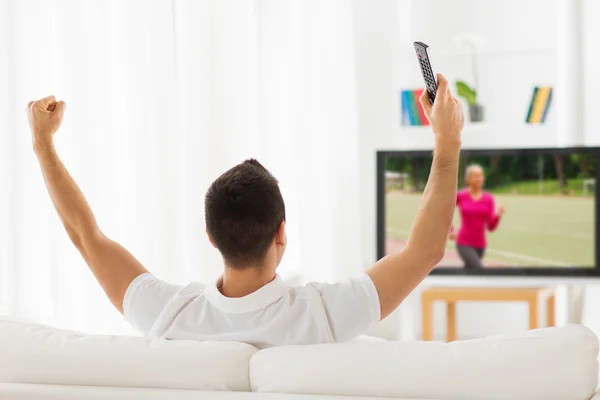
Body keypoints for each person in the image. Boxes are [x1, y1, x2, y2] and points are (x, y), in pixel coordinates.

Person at [26, 74, 463, 348]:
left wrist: (42, 142)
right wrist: (448, 143)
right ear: (281, 234)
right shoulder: (325, 315)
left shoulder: (168, 315)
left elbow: (86, 236)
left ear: (211, 236)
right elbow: (425, 251)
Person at [449, 164, 505, 269]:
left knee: (470, 273)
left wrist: (497, 215)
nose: (479, 178)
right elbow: (446, 213)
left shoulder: (489, 199)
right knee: (479, 270)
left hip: (481, 245)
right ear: (468, 179)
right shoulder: (461, 196)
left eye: (481, 176)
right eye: (476, 176)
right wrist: (451, 230)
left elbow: (490, 227)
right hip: (464, 242)